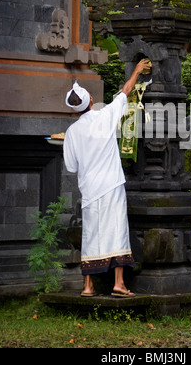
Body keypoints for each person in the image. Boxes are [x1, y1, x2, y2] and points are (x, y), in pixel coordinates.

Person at [63, 59, 151, 297]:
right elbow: (126, 91)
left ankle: (88, 286)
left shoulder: (71, 133)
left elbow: (71, 166)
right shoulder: (105, 116)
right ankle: (118, 283)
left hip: (90, 189)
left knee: (91, 233)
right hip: (111, 184)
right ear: (90, 101)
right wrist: (137, 70)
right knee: (117, 230)